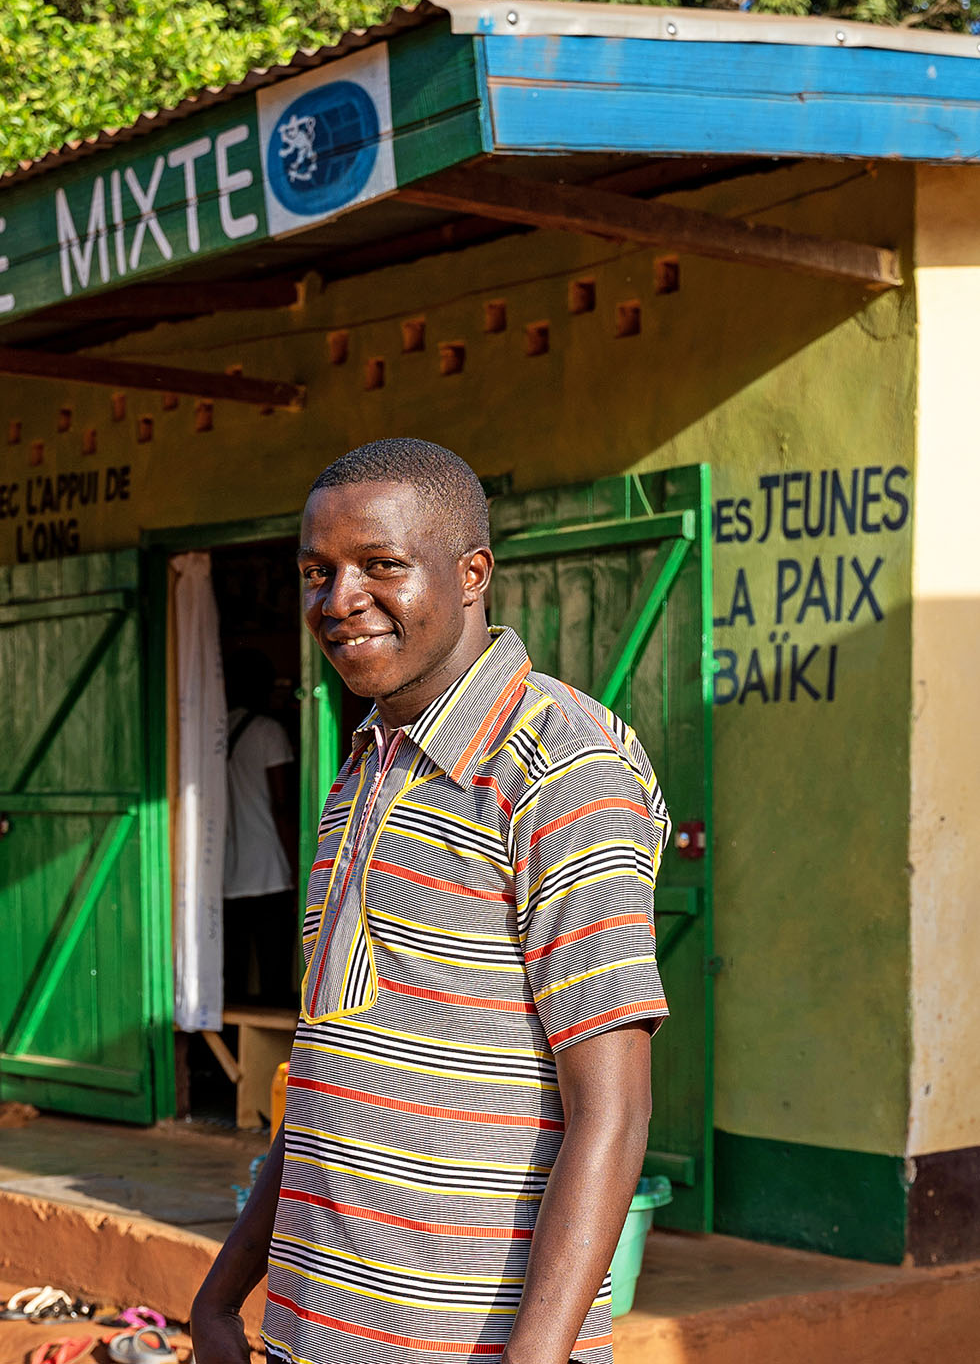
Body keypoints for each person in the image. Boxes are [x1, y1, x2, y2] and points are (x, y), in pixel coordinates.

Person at [192, 439, 670, 1364]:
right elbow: (333, 1074)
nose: (339, 600)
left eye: (381, 565)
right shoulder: (364, 770)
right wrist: (223, 1295)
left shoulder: (561, 769)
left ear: (473, 573)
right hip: (312, 1332)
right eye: (316, 572)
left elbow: (613, 1113)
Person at [222, 648, 299, 1008]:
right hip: (269, 870)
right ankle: (269, 1060)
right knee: (273, 976)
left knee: (232, 978)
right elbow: (282, 806)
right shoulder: (269, 732)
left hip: (227, 874)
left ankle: (219, 1061)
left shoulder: (213, 732)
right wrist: (298, 867)